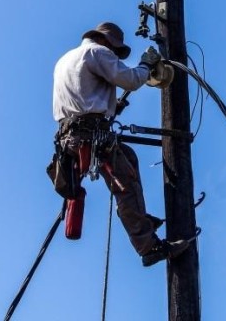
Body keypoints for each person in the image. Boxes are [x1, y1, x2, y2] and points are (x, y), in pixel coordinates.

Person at [51, 22, 189, 267]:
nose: (115, 56)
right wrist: (146, 64)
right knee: (126, 187)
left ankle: (139, 218)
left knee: (129, 157)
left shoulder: (66, 59)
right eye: (115, 50)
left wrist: (112, 106)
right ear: (107, 42)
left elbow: (84, 97)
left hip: (70, 138)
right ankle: (148, 246)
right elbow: (132, 80)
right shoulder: (98, 52)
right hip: (91, 136)